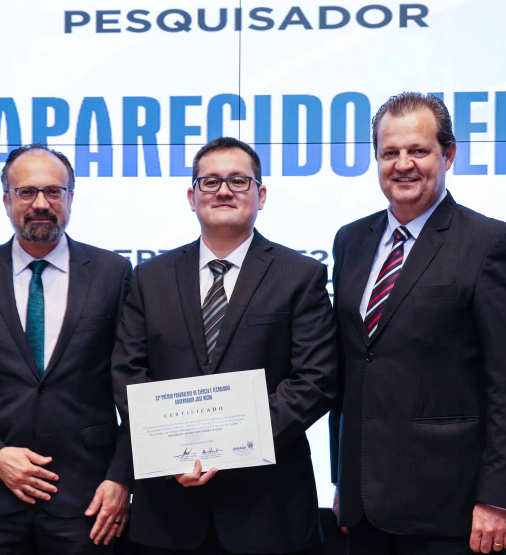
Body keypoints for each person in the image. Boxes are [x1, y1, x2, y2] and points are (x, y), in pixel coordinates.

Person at [329, 92, 506, 555]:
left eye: (418, 150)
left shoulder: (489, 243)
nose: (403, 164)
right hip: (364, 505)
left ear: (448, 155)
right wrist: (343, 478)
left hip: (452, 510)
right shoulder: (351, 240)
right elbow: (351, 367)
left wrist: (499, 498)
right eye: (390, 152)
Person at [111, 137, 338, 555]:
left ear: (261, 195)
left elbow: (315, 381)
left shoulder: (300, 275)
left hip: (267, 510)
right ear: (192, 196)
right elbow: (129, 373)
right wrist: (172, 453)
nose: (223, 191)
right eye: (210, 181)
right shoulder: (150, 277)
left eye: (238, 180)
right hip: (168, 511)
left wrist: (229, 443)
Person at [0, 145, 132, 555]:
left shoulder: (112, 273)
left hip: (89, 498)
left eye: (53, 191)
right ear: (6, 200)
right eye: (26, 192)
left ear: (70, 197)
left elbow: (136, 383)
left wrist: (122, 477)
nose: (40, 204)